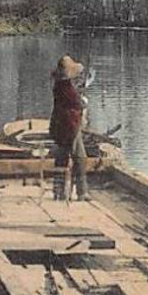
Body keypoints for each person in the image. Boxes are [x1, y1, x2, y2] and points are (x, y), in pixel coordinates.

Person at [49, 54, 89, 201]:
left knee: (62, 157)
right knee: (80, 157)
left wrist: (79, 92)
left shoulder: (61, 85)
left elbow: (73, 99)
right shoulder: (65, 87)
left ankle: (58, 191)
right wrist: (83, 99)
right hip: (69, 126)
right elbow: (78, 103)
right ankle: (82, 192)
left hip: (61, 126)